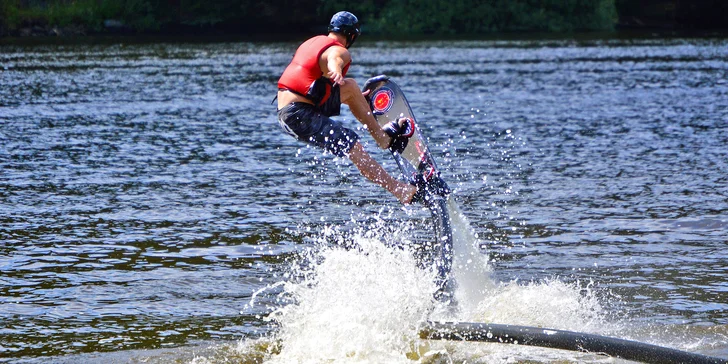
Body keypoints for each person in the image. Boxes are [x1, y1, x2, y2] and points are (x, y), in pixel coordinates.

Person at [276, 11, 446, 205]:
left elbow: (314, 84)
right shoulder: (340, 50)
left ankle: (382, 137)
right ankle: (401, 190)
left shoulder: (313, 41)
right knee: (353, 146)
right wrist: (336, 70)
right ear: (352, 35)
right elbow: (335, 58)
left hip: (291, 111)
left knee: (349, 88)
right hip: (300, 114)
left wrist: (356, 98)